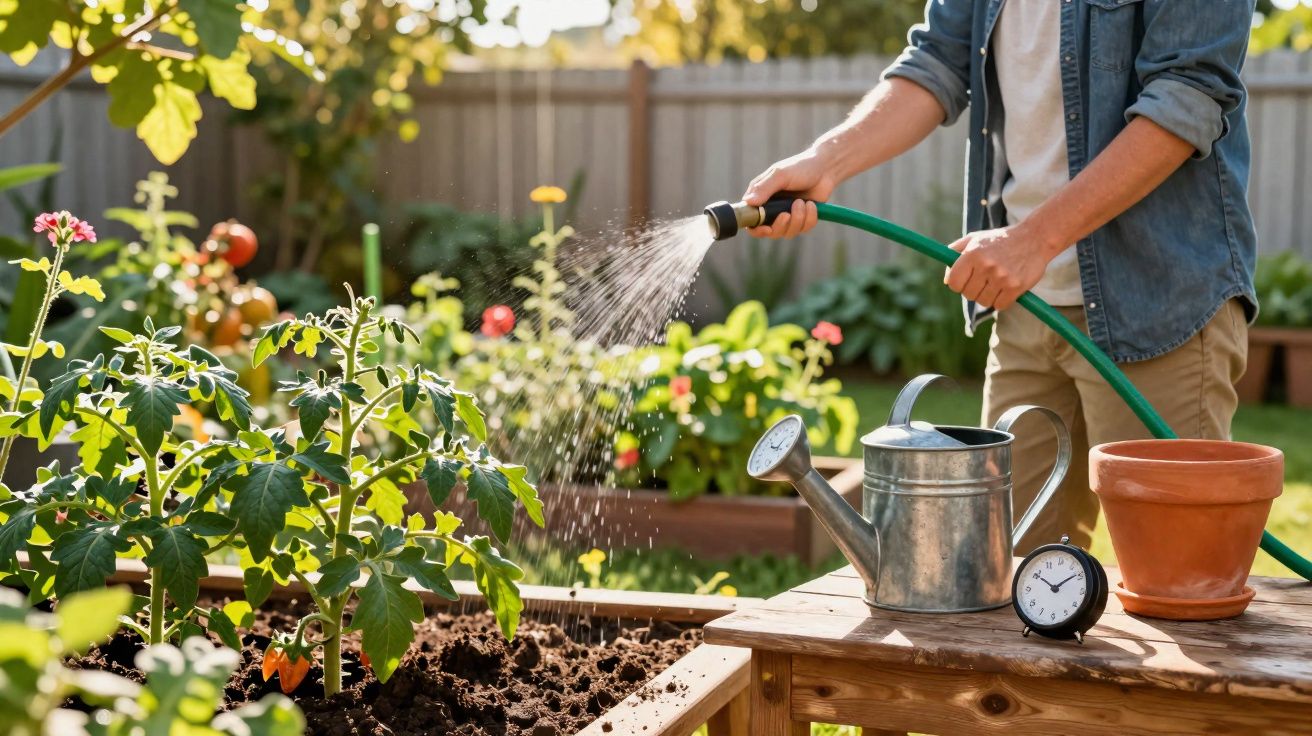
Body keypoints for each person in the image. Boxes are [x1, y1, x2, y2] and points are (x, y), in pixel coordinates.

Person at [743, 0, 1257, 552]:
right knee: (1006, 574)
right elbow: (937, 61)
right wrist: (826, 161)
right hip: (1028, 311)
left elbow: (1187, 97)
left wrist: (1034, 240)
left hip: (1158, 305)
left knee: (1177, 573)